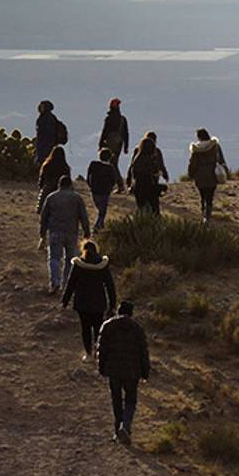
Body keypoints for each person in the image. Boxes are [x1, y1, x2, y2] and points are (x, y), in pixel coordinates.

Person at [97, 301, 150, 445]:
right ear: (131, 313)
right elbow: (143, 352)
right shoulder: (137, 328)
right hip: (132, 371)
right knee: (131, 400)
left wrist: (101, 367)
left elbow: (101, 349)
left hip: (113, 369)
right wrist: (145, 372)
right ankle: (125, 426)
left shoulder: (107, 326)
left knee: (116, 400)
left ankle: (117, 430)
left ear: (118, 311)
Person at [61, 240, 118, 361]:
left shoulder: (79, 264)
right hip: (99, 303)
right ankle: (99, 353)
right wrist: (113, 304)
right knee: (99, 328)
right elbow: (110, 285)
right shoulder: (102, 265)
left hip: (82, 303)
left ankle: (88, 354)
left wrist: (64, 301)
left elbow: (71, 284)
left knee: (85, 329)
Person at [39, 175, 90, 294]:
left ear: (59, 185)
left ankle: (55, 282)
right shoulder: (77, 198)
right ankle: (66, 284)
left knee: (54, 258)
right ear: (70, 185)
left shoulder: (51, 197)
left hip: (55, 231)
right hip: (71, 232)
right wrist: (87, 232)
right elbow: (83, 216)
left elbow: (44, 217)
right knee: (70, 260)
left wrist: (42, 233)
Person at [188, 128, 228, 223]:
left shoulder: (196, 149)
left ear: (199, 137)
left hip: (200, 176)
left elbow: (192, 163)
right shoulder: (215, 146)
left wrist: (191, 174)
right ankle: (208, 215)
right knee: (210, 196)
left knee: (202, 194)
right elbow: (221, 160)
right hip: (212, 175)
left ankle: (203, 211)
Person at [99, 98, 130, 191]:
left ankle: (118, 185)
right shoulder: (122, 119)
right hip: (119, 144)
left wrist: (100, 143)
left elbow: (104, 132)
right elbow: (126, 134)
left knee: (110, 164)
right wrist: (126, 147)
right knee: (114, 164)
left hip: (109, 144)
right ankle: (117, 185)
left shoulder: (109, 118)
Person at [126, 135, 162, 215]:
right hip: (149, 188)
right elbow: (154, 173)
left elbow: (133, 172)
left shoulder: (137, 159)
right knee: (153, 210)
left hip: (138, 188)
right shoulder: (150, 160)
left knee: (142, 208)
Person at [86, 148, 118, 231]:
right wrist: (110, 188)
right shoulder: (110, 168)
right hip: (105, 192)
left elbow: (88, 176)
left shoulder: (93, 164)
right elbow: (113, 180)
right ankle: (97, 226)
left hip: (95, 190)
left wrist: (90, 185)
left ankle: (100, 225)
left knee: (100, 209)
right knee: (102, 211)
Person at [37, 145, 71, 214]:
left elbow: (42, 179)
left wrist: (41, 187)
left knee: (44, 209)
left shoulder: (47, 165)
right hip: (61, 190)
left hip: (48, 189)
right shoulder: (65, 167)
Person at [34, 100, 61, 166]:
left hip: (46, 143)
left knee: (44, 160)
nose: (41, 108)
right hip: (45, 142)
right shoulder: (46, 117)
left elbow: (47, 131)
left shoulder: (48, 118)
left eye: (43, 106)